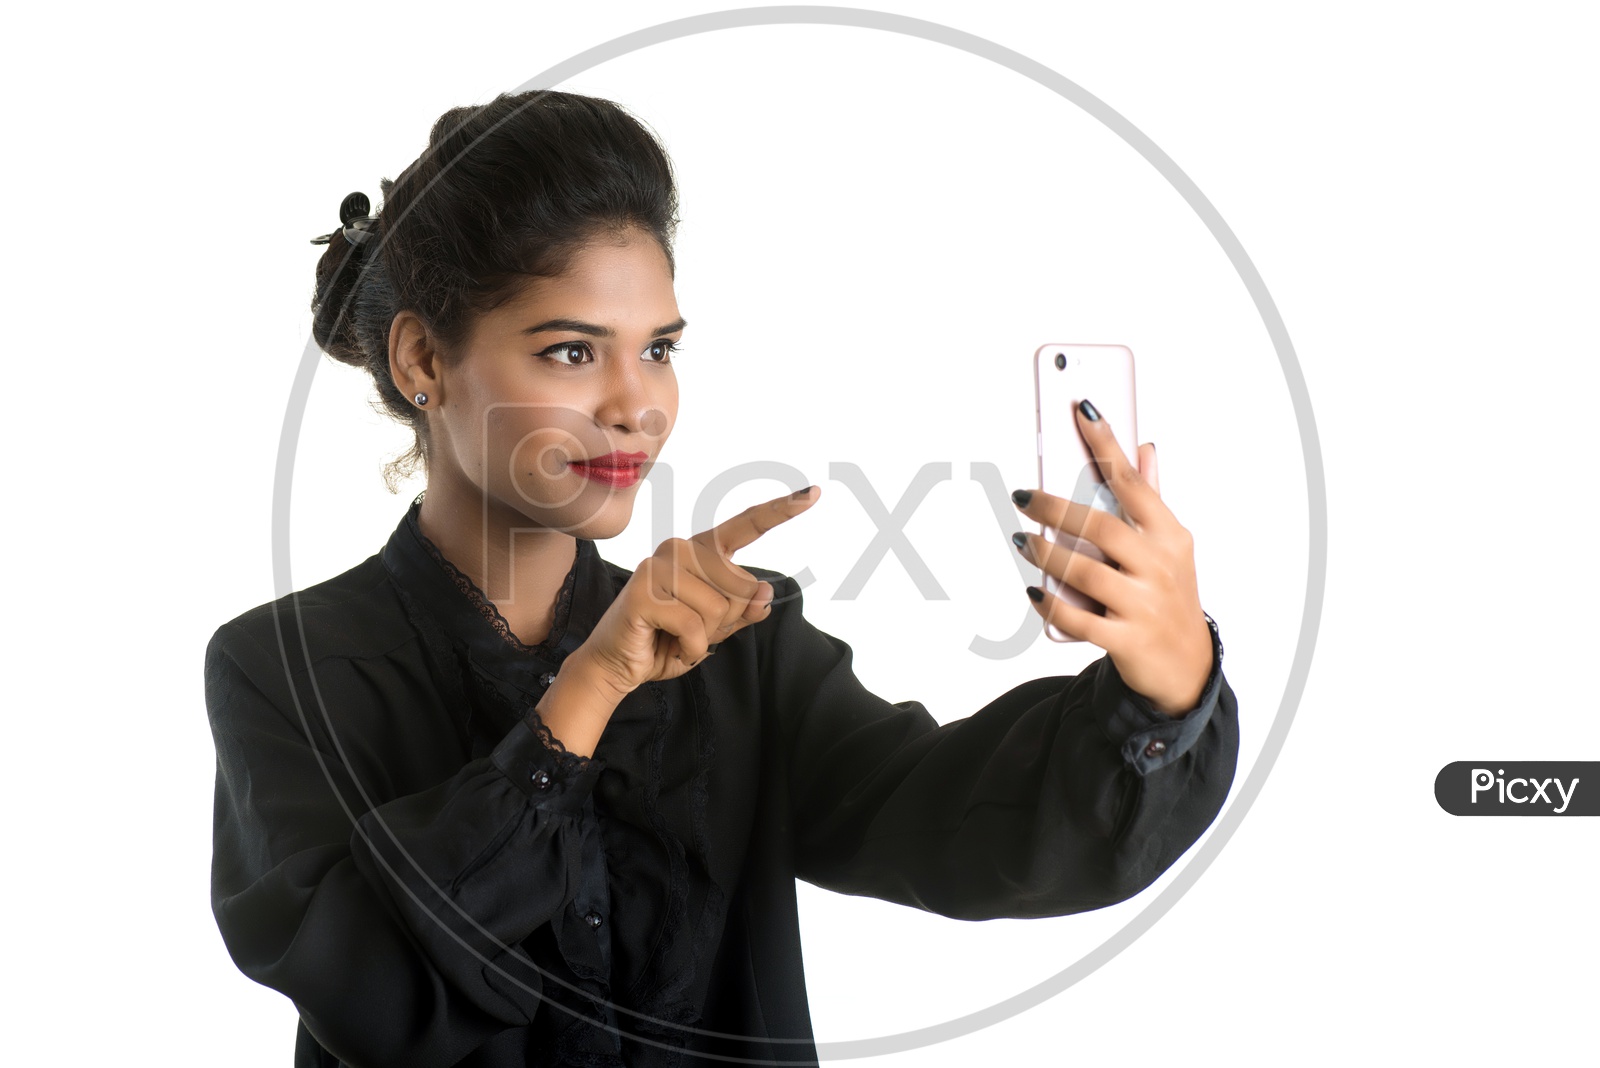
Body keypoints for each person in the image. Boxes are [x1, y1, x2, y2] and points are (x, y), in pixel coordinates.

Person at [204, 89, 1237, 1068]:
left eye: (658, 348)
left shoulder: (737, 640)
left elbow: (954, 825)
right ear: (424, 358)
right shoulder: (285, 669)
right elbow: (369, 996)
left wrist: (1162, 690)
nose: (636, 404)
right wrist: (587, 692)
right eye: (571, 352)